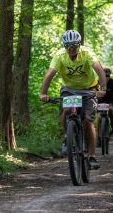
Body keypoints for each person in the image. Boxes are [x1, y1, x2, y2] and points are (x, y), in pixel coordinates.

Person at [39, 29, 107, 170]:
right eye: (68, 46)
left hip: (89, 89)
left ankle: (91, 156)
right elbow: (49, 74)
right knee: (67, 110)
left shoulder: (87, 53)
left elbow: (99, 70)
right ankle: (67, 137)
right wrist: (43, 93)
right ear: (64, 46)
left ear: (79, 45)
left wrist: (103, 89)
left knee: (87, 121)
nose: (71, 49)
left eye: (74, 46)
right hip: (69, 89)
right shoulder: (60, 56)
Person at [98, 67, 113, 135]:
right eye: (104, 76)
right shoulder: (97, 82)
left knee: (110, 110)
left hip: (110, 100)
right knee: (97, 116)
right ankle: (98, 131)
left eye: (107, 76)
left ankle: (112, 123)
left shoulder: (112, 81)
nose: (106, 77)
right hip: (100, 101)